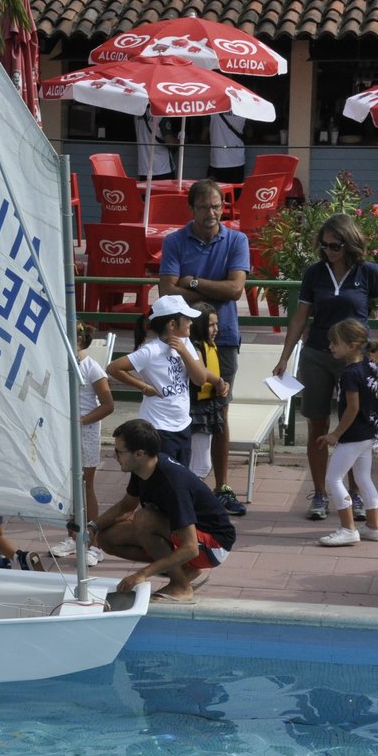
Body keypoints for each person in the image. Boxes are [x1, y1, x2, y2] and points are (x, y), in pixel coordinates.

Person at [273, 214, 378, 521]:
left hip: (355, 359)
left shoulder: (368, 272)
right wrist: (285, 356)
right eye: (324, 245)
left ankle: (355, 494)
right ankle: (320, 494)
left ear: (350, 243)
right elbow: (300, 317)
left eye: (335, 245)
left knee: (353, 427)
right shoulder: (315, 273)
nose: (328, 250)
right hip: (317, 353)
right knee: (317, 425)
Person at [157, 178, 251, 514]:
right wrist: (214, 290)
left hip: (222, 339)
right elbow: (166, 291)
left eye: (217, 206)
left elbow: (236, 291)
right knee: (182, 409)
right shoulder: (175, 241)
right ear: (191, 208)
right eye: (203, 206)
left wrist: (192, 283)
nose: (211, 213)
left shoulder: (237, 239)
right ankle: (182, 483)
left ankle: (222, 487)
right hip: (182, 340)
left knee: (219, 413)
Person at [93, 419, 235, 605]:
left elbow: (190, 547)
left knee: (144, 518)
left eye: (119, 451)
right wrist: (92, 527)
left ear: (139, 453)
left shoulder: (172, 484)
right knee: (107, 538)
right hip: (188, 538)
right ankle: (185, 570)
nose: (114, 456)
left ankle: (181, 586)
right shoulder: (143, 469)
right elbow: (125, 507)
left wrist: (141, 575)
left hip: (214, 544)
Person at [107, 295, 225, 466]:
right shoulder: (151, 351)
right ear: (172, 324)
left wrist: (184, 351)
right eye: (187, 319)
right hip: (158, 427)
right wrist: (144, 387)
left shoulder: (185, 343)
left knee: (179, 474)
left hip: (182, 424)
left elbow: (199, 379)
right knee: (162, 479)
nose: (191, 322)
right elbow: (113, 368)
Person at [48, 322, 116, 565]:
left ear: (78, 340)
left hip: (84, 432)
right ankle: (72, 536)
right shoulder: (60, 365)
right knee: (67, 485)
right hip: (62, 431)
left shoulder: (91, 367)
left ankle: (94, 543)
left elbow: (108, 405)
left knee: (86, 485)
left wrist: (81, 420)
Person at [316, 319, 378, 546]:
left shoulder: (349, 374)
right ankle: (373, 527)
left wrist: (335, 434)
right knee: (363, 477)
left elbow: (353, 407)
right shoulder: (371, 365)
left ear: (353, 345)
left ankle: (348, 529)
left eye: (335, 343)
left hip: (352, 436)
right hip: (368, 433)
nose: (331, 347)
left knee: (333, 479)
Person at [186, 310, 227, 482]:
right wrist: (218, 381)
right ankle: (192, 501)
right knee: (200, 464)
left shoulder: (210, 345)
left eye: (216, 324)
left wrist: (223, 384)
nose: (216, 329)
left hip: (209, 406)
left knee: (199, 463)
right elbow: (201, 375)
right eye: (211, 325)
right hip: (196, 410)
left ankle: (192, 500)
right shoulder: (195, 348)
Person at [207, 112, 246, 183]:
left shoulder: (213, 109)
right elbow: (249, 133)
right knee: (235, 192)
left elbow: (204, 135)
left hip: (218, 159)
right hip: (237, 160)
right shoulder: (243, 109)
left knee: (215, 192)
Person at [135, 113, 174, 180]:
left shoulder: (137, 114)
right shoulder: (161, 115)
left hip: (144, 169)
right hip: (163, 168)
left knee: (146, 190)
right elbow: (170, 142)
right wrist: (181, 140)